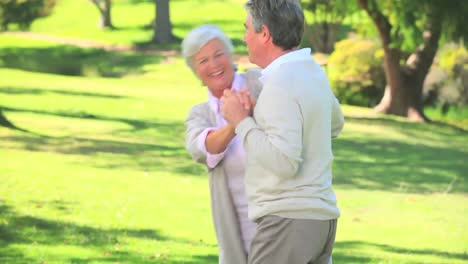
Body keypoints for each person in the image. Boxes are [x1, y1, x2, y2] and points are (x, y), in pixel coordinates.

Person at [220, 0, 345, 263]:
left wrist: (241, 121)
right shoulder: (312, 72)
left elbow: (284, 162)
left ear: (264, 34)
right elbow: (334, 123)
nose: (244, 38)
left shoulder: (279, 83)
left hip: (288, 222)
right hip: (321, 222)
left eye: (247, 29)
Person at [182, 24, 263, 264]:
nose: (214, 65)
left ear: (231, 56)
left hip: (280, 223)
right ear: (196, 72)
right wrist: (236, 121)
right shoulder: (200, 114)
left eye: (219, 55)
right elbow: (201, 149)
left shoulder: (258, 82)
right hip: (237, 232)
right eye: (203, 60)